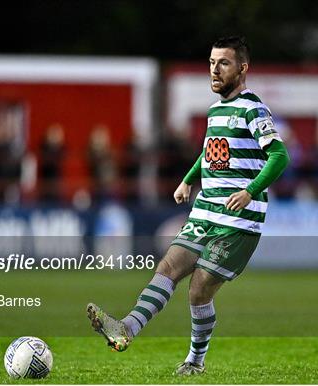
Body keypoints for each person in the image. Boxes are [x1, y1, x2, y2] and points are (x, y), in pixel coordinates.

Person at [87, 36, 290, 376]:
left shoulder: (253, 108)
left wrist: (251, 191)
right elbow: (210, 152)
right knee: (168, 267)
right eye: (211, 62)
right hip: (205, 211)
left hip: (238, 222)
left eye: (223, 63)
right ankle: (125, 330)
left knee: (198, 290)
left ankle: (195, 361)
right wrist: (188, 179)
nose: (214, 69)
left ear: (242, 68)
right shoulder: (215, 110)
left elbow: (279, 155)